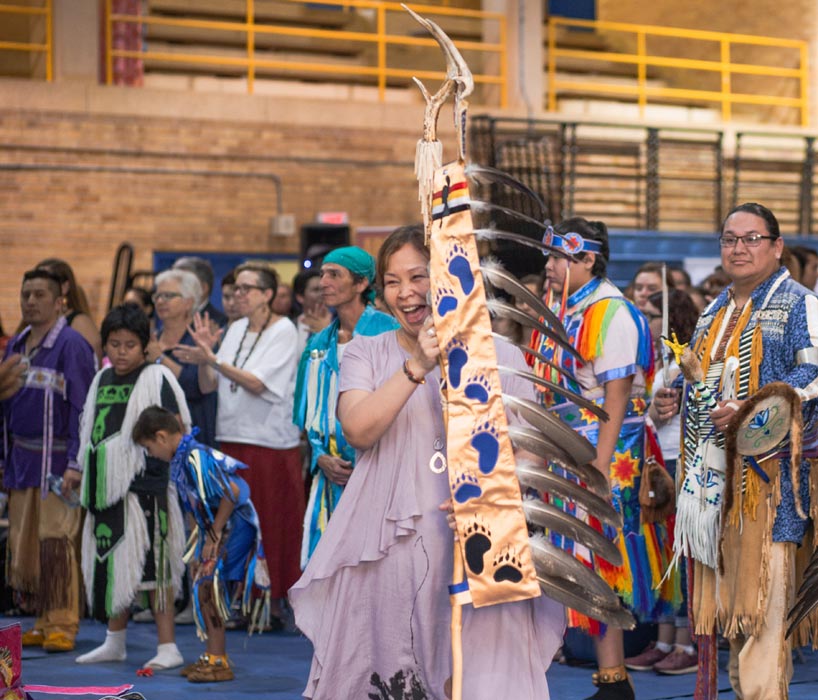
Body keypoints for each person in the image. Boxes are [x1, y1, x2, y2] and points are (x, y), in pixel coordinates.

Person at [290, 225, 564, 699]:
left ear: (449, 279)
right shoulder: (365, 352)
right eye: (392, 282)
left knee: (477, 672)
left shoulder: (502, 356)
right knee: (390, 665)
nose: (406, 292)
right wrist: (416, 364)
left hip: (480, 541)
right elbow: (358, 430)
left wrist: (489, 500)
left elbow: (530, 452)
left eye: (418, 276)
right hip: (389, 546)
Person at [653, 202, 818, 700]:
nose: (739, 248)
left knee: (765, 608)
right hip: (713, 488)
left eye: (751, 238)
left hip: (770, 488)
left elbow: (812, 377)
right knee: (734, 616)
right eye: (730, 239)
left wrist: (752, 408)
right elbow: (704, 382)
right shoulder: (713, 311)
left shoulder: (799, 303)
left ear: (776, 246)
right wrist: (672, 400)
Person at [536, 219, 677, 700]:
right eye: (549, 257)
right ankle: (612, 677)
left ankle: (615, 677)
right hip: (571, 448)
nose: (549, 267)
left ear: (588, 259)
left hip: (607, 453)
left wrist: (598, 462)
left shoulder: (612, 312)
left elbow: (616, 397)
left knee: (602, 564)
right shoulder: (564, 310)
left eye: (558, 258)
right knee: (584, 565)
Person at [183, 261, 304, 628]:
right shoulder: (234, 328)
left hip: (268, 440)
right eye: (236, 289)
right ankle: (236, 599)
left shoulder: (284, 330)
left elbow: (255, 382)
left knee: (268, 524)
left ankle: (271, 603)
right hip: (231, 437)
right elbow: (208, 386)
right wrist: (207, 357)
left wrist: (213, 360)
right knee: (235, 526)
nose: (238, 294)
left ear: (268, 294)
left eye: (247, 288)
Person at [75, 304, 189, 670]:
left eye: (129, 345)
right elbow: (90, 430)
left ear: (145, 346)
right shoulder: (101, 380)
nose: (121, 352)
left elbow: (176, 430)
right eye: (113, 344)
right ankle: (115, 641)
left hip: (147, 490)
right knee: (111, 563)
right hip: (104, 490)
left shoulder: (158, 378)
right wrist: (83, 470)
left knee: (155, 569)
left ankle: (168, 645)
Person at [132, 406, 270, 683]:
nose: (150, 454)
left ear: (161, 437)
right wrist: (198, 547)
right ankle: (212, 655)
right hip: (219, 525)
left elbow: (231, 492)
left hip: (234, 524)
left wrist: (215, 534)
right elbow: (196, 506)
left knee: (210, 587)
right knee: (203, 584)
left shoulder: (194, 455)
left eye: (148, 448)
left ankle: (219, 659)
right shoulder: (182, 459)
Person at [1, 268, 96, 653]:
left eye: (40, 294)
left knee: (57, 542)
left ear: (60, 302)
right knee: (29, 544)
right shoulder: (17, 343)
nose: (31, 301)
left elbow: (82, 407)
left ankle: (63, 622)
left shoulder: (71, 344)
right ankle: (43, 617)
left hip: (58, 462)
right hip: (23, 460)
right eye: (26, 294)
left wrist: (76, 462)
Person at [293, 246, 397, 566]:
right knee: (328, 567)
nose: (323, 281)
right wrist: (319, 456)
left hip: (381, 473)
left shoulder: (390, 333)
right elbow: (307, 415)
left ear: (362, 284)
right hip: (331, 478)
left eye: (334, 274)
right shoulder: (318, 344)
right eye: (322, 273)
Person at [624, 289, 700, 676]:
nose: (646, 322)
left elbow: (702, 392)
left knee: (682, 552)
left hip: (682, 461)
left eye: (652, 315)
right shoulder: (653, 360)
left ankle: (688, 643)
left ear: (670, 320)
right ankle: (665, 638)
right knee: (663, 553)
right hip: (655, 458)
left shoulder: (687, 358)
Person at [145, 269, 217, 447]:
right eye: (158, 296)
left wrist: (160, 358)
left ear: (189, 302)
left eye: (169, 295)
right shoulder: (154, 338)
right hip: (156, 434)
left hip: (193, 429)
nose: (161, 301)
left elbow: (194, 386)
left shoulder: (200, 340)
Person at [36, 258, 102, 361]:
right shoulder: (34, 321)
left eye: (47, 283)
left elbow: (91, 366)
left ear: (65, 287)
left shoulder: (80, 323)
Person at [173, 256, 228, 329]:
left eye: (183, 283)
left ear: (203, 288)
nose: (174, 288)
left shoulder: (221, 324)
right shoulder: (170, 318)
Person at [293, 269, 332, 358]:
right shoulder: (291, 326)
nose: (322, 294)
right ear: (300, 297)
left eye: (324, 289)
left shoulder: (339, 323)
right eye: (316, 290)